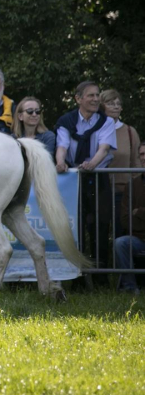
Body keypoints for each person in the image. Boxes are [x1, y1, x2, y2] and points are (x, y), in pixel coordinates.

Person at [55, 81, 116, 269]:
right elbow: (62, 146)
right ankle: (77, 274)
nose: (96, 99)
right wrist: (60, 162)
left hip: (98, 179)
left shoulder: (106, 121)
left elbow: (104, 149)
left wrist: (92, 164)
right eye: (91, 95)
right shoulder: (66, 121)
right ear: (78, 99)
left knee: (100, 226)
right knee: (76, 227)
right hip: (74, 181)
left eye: (97, 95)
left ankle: (101, 274)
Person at [101, 89, 142, 204]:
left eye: (118, 104)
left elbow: (136, 162)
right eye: (110, 104)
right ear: (102, 106)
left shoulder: (130, 132)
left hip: (124, 192)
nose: (116, 107)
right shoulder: (96, 130)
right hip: (99, 191)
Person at [115, 143, 145, 294]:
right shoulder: (132, 185)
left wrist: (139, 212)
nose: (144, 158)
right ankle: (130, 287)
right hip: (139, 239)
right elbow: (125, 220)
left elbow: (133, 215)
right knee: (121, 243)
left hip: (140, 231)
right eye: (142, 154)